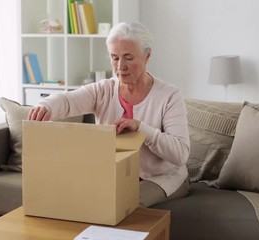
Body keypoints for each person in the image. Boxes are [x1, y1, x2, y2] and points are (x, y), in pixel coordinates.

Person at [27, 21, 190, 207]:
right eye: (114, 57)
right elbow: (68, 101)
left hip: (162, 177)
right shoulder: (104, 90)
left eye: (128, 57)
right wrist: (46, 105)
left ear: (148, 55)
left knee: (124, 203)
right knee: (74, 194)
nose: (120, 66)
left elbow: (180, 154)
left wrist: (142, 129)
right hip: (117, 174)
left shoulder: (169, 95)